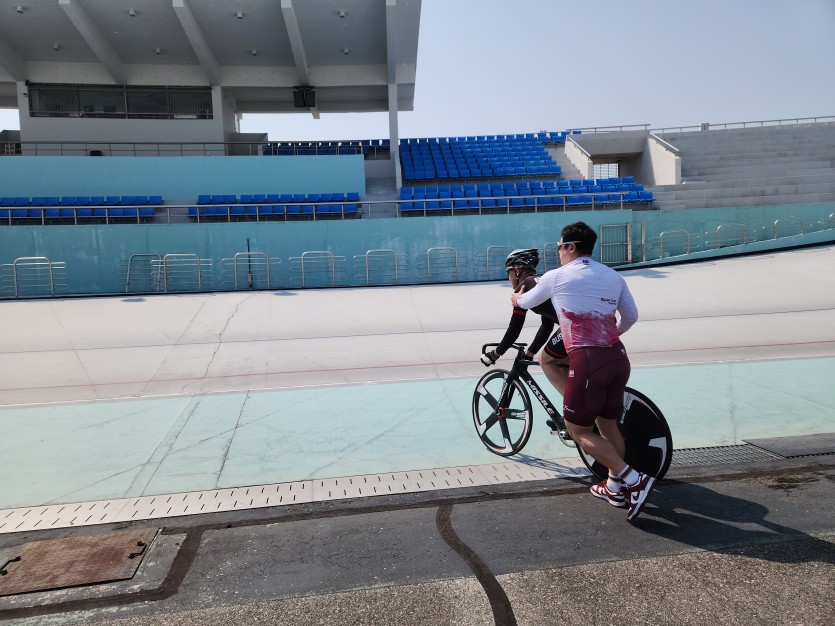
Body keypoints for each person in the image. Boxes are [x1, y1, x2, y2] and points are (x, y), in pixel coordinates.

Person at [511, 221, 654, 522]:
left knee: (579, 431)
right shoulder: (613, 276)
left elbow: (525, 301)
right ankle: (614, 487)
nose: (558, 251)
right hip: (618, 358)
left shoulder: (558, 276)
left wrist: (516, 298)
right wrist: (610, 333)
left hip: (588, 363)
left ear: (571, 247)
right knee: (608, 425)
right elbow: (631, 316)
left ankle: (634, 479)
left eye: (559, 246)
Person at [480, 249, 571, 430]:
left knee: (545, 360)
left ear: (517, 270)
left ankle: (575, 409)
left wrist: (496, 353)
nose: (508, 278)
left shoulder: (524, 287)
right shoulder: (539, 281)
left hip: (570, 328)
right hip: (579, 327)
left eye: (508, 272)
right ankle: (573, 417)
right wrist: (529, 352)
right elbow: (547, 325)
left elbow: (515, 328)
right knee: (562, 365)